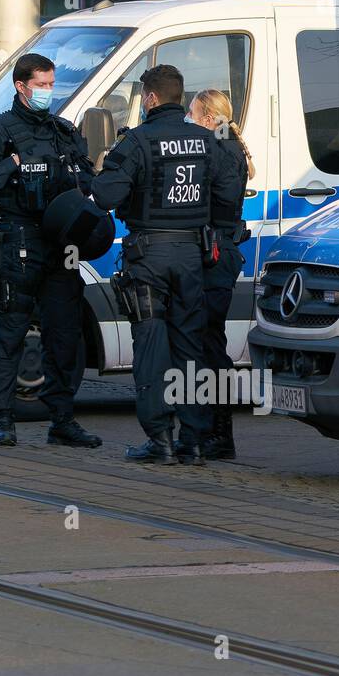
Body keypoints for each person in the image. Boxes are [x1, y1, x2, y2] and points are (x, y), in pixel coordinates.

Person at [93, 64, 239, 465]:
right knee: (191, 346)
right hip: (193, 257)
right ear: (180, 96)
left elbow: (106, 195)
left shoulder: (138, 141)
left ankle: (161, 438)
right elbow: (229, 191)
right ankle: (193, 439)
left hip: (149, 257)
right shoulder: (207, 141)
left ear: (152, 98)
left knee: (152, 347)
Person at [0, 53, 102, 449]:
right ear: (21, 86)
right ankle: (3, 421)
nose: (47, 92)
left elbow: (88, 179)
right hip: (20, 242)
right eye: (41, 84)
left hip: (61, 244)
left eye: (50, 84)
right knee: (10, 334)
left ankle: (62, 421)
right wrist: (13, 163)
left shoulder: (64, 130)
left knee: (64, 334)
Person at [188, 88, 253, 461]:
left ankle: (218, 432)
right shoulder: (224, 145)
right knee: (206, 341)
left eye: (193, 115)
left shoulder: (221, 150)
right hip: (217, 252)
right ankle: (210, 429)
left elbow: (214, 201)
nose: (189, 122)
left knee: (209, 344)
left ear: (209, 119)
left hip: (216, 256)